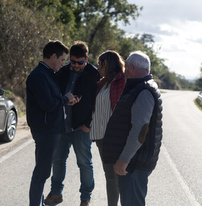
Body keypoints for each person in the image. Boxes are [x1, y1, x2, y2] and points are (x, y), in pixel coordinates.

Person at [102, 51, 163, 206]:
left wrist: (124, 159)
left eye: (126, 69)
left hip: (135, 163)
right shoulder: (141, 87)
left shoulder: (143, 91)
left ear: (130, 67)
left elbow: (140, 131)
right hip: (135, 161)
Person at [44, 41, 100, 206]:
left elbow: (98, 103)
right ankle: (56, 194)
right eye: (73, 61)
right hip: (61, 127)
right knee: (58, 160)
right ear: (69, 58)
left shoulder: (94, 75)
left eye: (80, 62)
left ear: (87, 59)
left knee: (84, 163)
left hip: (81, 128)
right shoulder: (61, 72)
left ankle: (85, 198)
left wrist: (88, 124)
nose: (76, 65)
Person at [27, 40, 79, 206]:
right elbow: (48, 104)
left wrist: (65, 101)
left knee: (43, 172)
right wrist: (65, 99)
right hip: (45, 130)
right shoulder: (39, 75)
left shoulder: (49, 74)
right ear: (53, 56)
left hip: (51, 129)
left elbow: (52, 100)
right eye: (62, 59)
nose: (63, 63)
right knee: (41, 173)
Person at [90, 50, 126, 206]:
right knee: (109, 176)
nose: (98, 67)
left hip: (113, 136)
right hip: (99, 136)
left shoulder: (122, 81)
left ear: (108, 64)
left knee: (115, 176)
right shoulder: (101, 84)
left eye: (100, 64)